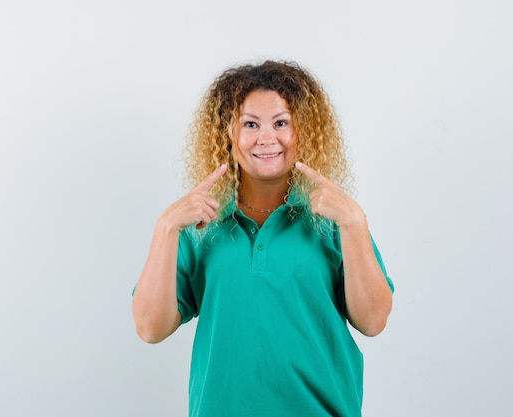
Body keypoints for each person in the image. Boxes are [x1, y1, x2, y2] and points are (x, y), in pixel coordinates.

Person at [132, 60, 394, 417]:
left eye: (281, 123)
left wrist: (353, 221)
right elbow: (150, 328)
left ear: (303, 131)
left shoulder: (335, 220)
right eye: (250, 124)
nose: (267, 138)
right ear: (226, 134)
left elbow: (373, 321)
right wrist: (165, 228)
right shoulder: (201, 223)